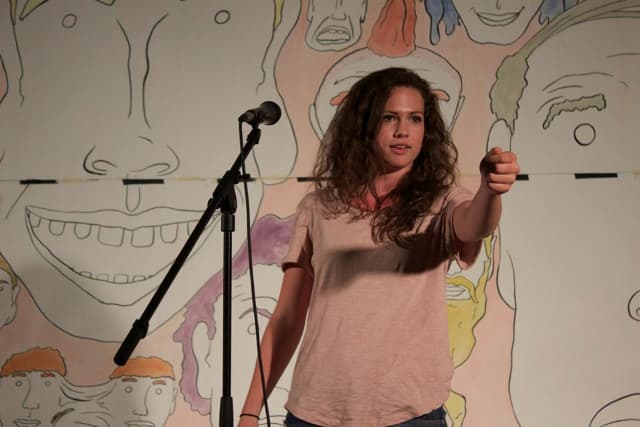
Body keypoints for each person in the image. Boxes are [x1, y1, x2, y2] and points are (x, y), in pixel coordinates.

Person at [238, 67, 519, 427]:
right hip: (314, 412)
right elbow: (287, 318)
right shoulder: (318, 207)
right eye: (389, 117)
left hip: (409, 415)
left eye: (415, 119)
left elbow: (475, 224)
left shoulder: (444, 201)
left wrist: (490, 191)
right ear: (364, 125)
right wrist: (250, 411)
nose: (403, 131)